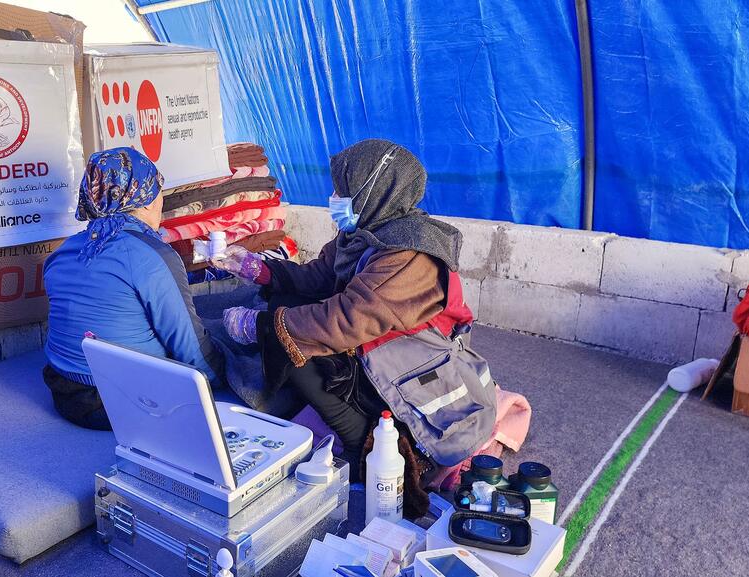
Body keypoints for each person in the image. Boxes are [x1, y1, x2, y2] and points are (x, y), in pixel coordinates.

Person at [216, 139, 496, 512]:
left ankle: (364, 444)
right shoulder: (366, 232)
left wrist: (260, 326)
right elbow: (319, 276)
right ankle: (326, 408)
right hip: (376, 345)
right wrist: (262, 270)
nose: (334, 197)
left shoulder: (410, 256)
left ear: (373, 191)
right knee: (285, 307)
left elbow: (344, 320)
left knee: (296, 351)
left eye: (342, 190)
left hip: (414, 370)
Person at [43, 148, 224, 430]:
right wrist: (216, 380)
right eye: (158, 190)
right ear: (146, 199)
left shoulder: (62, 252)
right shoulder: (151, 254)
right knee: (227, 333)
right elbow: (186, 341)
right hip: (125, 403)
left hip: (64, 393)